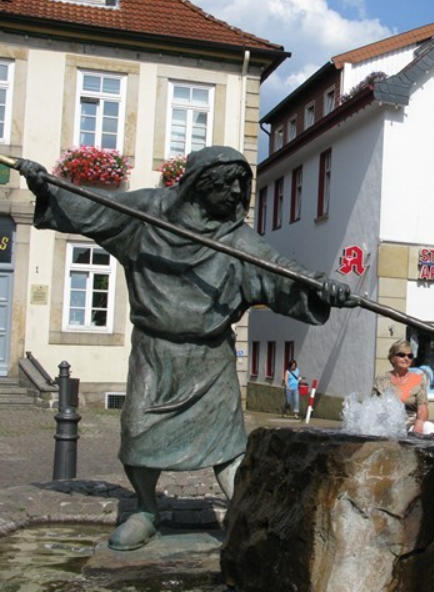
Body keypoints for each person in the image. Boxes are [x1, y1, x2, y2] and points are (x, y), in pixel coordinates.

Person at [17, 146, 355, 551]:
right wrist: (48, 188)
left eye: (241, 184)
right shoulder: (147, 213)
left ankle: (243, 515)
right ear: (199, 184)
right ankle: (145, 510)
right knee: (138, 432)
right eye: (227, 183)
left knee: (228, 447)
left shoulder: (239, 240)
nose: (236, 192)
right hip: (155, 353)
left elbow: (283, 275)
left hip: (211, 358)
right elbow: (94, 208)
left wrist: (321, 289)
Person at [372, 340, 434, 435]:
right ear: (392, 358)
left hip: (410, 424)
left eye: (410, 356)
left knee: (429, 427)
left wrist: (419, 422)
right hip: (387, 425)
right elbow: (373, 406)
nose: (406, 358)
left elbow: (423, 407)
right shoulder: (381, 380)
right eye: (402, 355)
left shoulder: (417, 380)